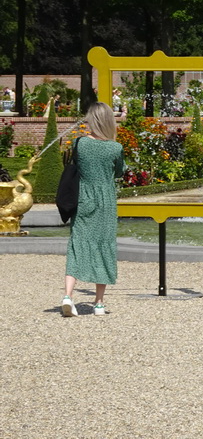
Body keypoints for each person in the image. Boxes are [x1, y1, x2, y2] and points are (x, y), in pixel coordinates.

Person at [62, 102, 124, 317]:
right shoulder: (115, 148)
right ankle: (98, 304)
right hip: (105, 201)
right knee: (104, 246)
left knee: (77, 244)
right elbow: (119, 172)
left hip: (83, 198)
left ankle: (68, 297)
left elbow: (75, 164)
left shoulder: (80, 143)